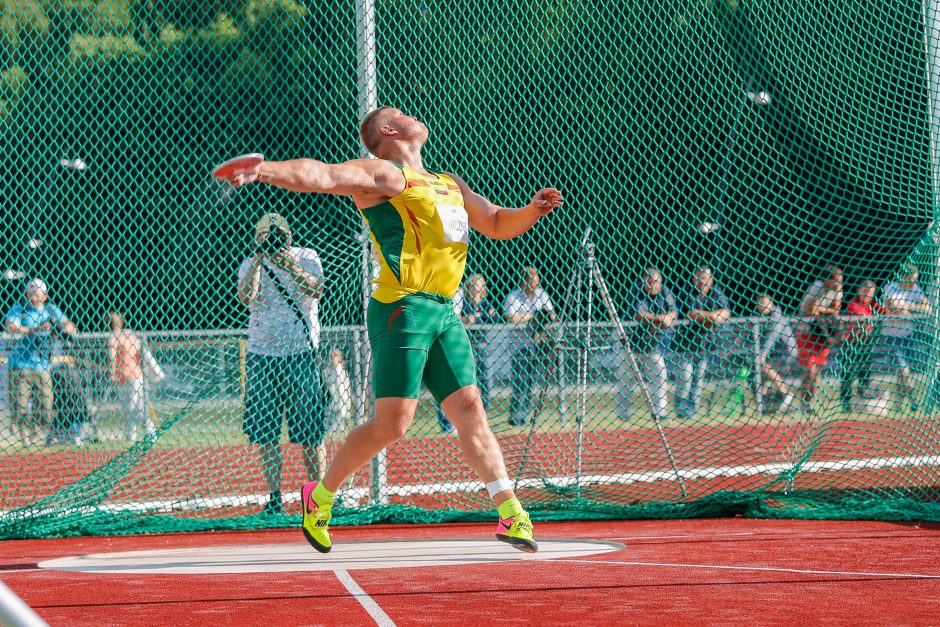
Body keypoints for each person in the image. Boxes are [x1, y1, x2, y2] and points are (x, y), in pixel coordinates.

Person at [217, 107, 562, 553]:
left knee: (471, 408)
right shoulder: (384, 174)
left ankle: (511, 513)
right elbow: (320, 175)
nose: (413, 113)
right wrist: (262, 171)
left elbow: (496, 222)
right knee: (393, 424)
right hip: (402, 307)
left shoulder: (448, 183)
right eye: (402, 112)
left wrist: (531, 211)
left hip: (444, 311)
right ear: (388, 130)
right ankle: (319, 498)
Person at [236, 213, 328, 515]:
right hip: (262, 356)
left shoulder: (306, 256)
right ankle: (274, 497)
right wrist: (262, 259)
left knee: (311, 433)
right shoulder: (251, 264)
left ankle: (317, 499)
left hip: (301, 354)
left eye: (277, 234)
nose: (273, 240)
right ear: (256, 238)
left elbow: (316, 289)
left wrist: (287, 263)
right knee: (265, 433)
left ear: (289, 235)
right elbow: (245, 296)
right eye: (264, 235)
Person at [3, 278, 76, 446]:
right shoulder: (20, 309)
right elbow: (11, 326)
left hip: (42, 364)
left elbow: (70, 325)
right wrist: (35, 330)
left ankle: (35, 429)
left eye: (36, 293)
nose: (32, 296)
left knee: (45, 405)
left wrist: (61, 330)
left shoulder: (50, 310)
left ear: (45, 296)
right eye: (30, 292)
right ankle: (25, 438)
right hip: (20, 365)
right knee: (20, 405)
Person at [618, 267, 677, 421]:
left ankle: (660, 412)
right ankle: (622, 413)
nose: (653, 286)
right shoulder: (636, 291)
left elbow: (673, 313)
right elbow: (639, 315)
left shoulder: (664, 292)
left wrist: (661, 320)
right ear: (644, 281)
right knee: (626, 380)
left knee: (659, 374)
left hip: (652, 345)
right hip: (630, 344)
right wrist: (659, 319)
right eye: (650, 283)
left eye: (656, 283)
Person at [673, 266, 731, 419]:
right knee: (685, 377)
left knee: (698, 378)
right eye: (699, 278)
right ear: (693, 279)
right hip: (685, 343)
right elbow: (691, 313)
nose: (702, 282)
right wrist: (712, 316)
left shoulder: (715, 291)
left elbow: (726, 310)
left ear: (710, 280)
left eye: (705, 278)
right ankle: (680, 408)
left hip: (705, 344)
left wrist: (713, 316)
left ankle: (692, 410)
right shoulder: (687, 291)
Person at [504, 266, 556, 426]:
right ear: (524, 283)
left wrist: (539, 319)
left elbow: (551, 315)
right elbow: (511, 317)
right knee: (520, 381)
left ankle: (523, 414)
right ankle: (515, 416)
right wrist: (532, 316)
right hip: (519, 344)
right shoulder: (514, 296)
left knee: (530, 382)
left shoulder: (541, 295)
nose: (535, 287)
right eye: (531, 283)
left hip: (537, 344)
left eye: (536, 283)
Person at [879, 264, 932, 411]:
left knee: (902, 372)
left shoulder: (915, 289)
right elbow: (896, 308)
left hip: (908, 335)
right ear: (903, 276)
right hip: (892, 335)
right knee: (903, 370)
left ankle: (898, 405)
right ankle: (914, 400)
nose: (913, 283)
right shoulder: (890, 288)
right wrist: (913, 308)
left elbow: (927, 307)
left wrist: (907, 309)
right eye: (911, 279)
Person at [838, 280, 890, 412]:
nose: (868, 293)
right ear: (859, 290)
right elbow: (861, 320)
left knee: (865, 375)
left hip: (865, 345)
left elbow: (887, 314)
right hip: (851, 345)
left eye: (871, 290)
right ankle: (846, 406)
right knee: (847, 375)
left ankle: (863, 404)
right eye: (865, 289)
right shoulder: (853, 304)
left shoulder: (873, 305)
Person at [798, 263, 844, 411]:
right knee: (810, 373)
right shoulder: (816, 287)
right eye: (836, 281)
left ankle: (806, 403)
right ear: (828, 281)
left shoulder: (837, 290)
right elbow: (809, 310)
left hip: (822, 334)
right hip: (807, 332)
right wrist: (823, 310)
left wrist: (821, 310)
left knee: (816, 377)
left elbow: (836, 310)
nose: (839, 284)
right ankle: (804, 402)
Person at [106, 311, 157, 442]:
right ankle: (149, 433)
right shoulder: (130, 334)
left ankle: (134, 436)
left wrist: (112, 374)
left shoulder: (114, 337)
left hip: (127, 378)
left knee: (130, 409)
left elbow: (112, 358)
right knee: (138, 407)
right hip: (138, 376)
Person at [755, 292, 800, 414]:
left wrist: (763, 354)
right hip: (776, 354)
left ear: (771, 303)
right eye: (759, 304)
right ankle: (765, 405)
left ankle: (785, 394)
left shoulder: (776, 317)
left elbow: (772, 337)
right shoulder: (763, 318)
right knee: (763, 377)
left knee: (763, 368)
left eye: (764, 303)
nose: (761, 306)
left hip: (786, 353)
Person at [325, 347, 354, 435]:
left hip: (340, 401)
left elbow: (345, 386)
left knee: (338, 423)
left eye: (335, 357)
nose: (332, 359)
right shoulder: (328, 370)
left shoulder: (341, 370)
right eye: (331, 357)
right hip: (331, 401)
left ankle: (337, 435)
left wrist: (347, 401)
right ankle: (330, 435)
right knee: (329, 423)